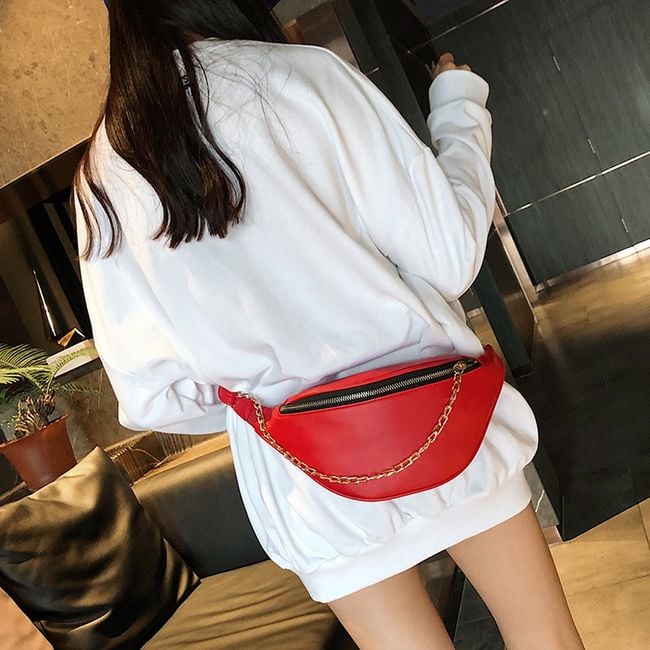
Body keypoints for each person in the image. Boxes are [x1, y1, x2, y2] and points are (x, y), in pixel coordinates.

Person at [74, 1, 584, 648]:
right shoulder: (302, 77)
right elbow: (451, 253)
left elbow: (154, 398)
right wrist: (457, 109)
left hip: (305, 481)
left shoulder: (101, 180)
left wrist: (266, 391)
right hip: (438, 419)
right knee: (544, 638)